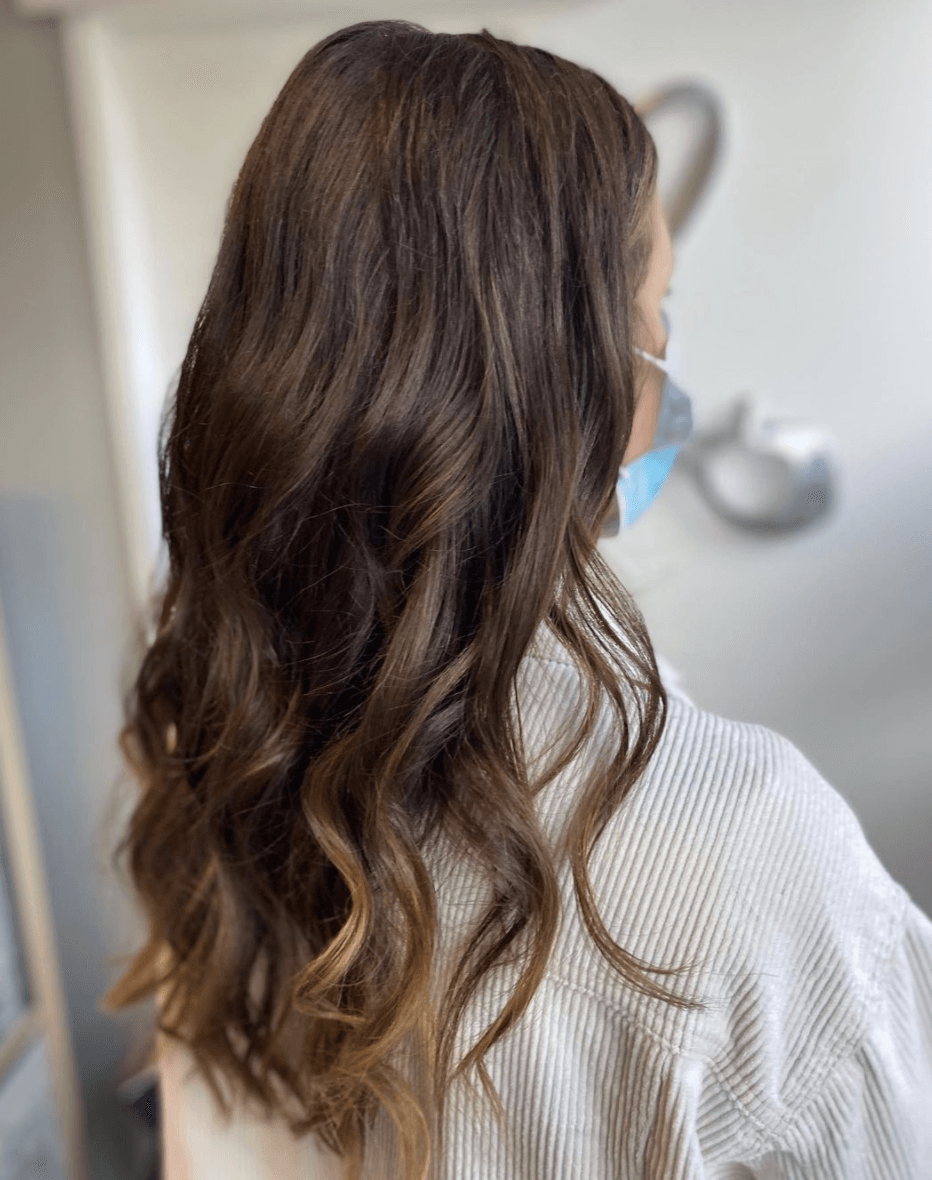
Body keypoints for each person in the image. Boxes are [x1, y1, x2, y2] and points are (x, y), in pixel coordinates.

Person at [99, 20, 932, 1180]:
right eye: (655, 319)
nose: (663, 372)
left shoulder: (219, 740)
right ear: (562, 378)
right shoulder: (750, 852)